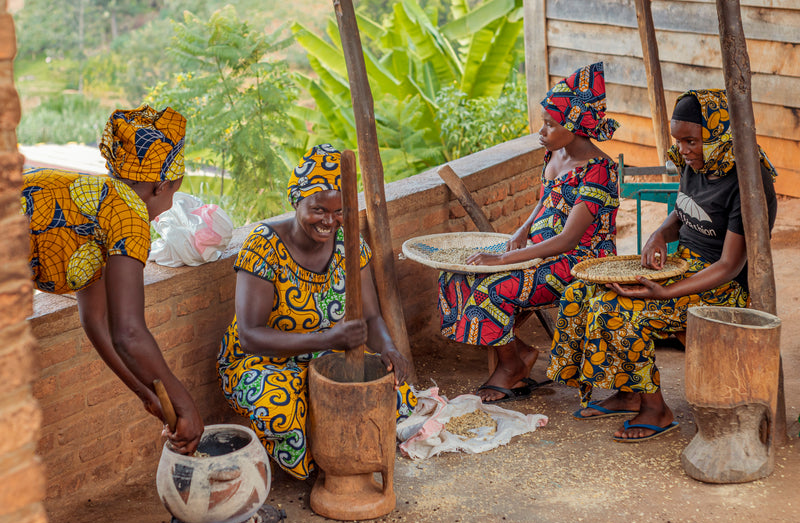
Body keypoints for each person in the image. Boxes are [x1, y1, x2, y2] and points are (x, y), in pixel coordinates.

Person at [23, 105, 205, 523]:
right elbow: (130, 331)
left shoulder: (98, 201)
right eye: (170, 193)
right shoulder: (127, 213)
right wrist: (184, 400)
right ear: (157, 186)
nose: (168, 208)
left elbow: (97, 322)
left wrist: (147, 393)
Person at [547, 89, 778, 442]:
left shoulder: (748, 180)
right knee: (581, 292)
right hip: (682, 266)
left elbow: (730, 265)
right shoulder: (698, 162)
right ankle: (627, 392)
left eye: (692, 141)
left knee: (618, 309)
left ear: (719, 135)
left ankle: (657, 409)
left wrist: (665, 292)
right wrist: (659, 233)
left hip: (719, 286)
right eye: (679, 140)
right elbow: (684, 211)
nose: (683, 150)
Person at [216, 144, 416, 480]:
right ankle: (318, 467)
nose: (329, 221)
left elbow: (371, 317)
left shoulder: (350, 245)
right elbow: (250, 337)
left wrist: (390, 350)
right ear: (297, 201)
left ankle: (344, 458)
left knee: (395, 392)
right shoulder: (263, 246)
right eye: (319, 209)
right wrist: (327, 337)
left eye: (340, 212)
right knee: (281, 406)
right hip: (264, 360)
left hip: (327, 351)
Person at [438, 61, 620, 403]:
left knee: (492, 287)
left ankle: (511, 367)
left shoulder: (598, 171)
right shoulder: (554, 152)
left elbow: (568, 240)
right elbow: (545, 200)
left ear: (576, 125)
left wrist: (504, 258)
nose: (542, 132)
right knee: (455, 278)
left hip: (578, 262)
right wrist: (522, 231)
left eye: (550, 125)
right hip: (536, 248)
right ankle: (518, 352)